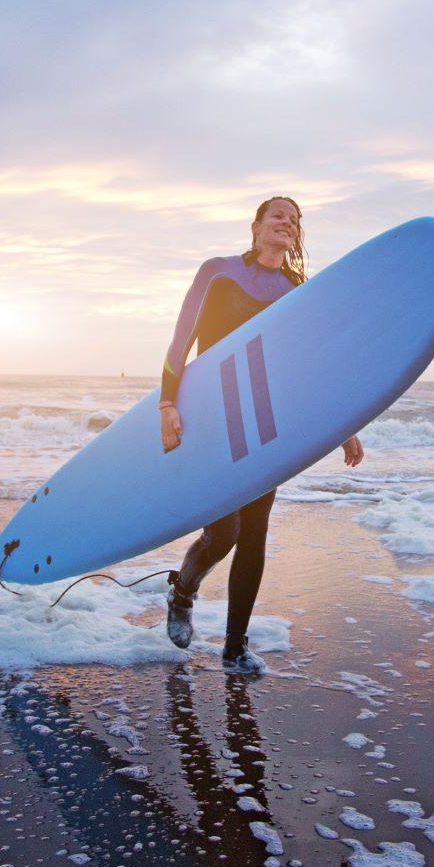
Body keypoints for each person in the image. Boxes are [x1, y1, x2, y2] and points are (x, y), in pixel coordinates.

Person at [159, 197, 363, 674]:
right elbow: (181, 337)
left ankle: (235, 647)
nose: (286, 224)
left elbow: (310, 367)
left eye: (294, 221)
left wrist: (344, 426)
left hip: (266, 423)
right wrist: (168, 402)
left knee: (255, 533)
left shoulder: (295, 287)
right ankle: (182, 591)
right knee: (225, 531)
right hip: (214, 416)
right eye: (278, 216)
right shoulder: (218, 271)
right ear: (255, 225)